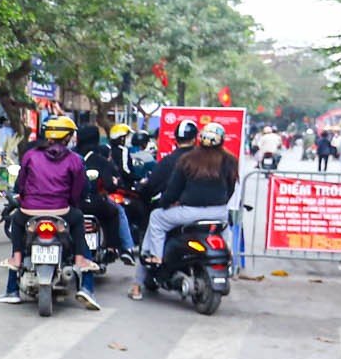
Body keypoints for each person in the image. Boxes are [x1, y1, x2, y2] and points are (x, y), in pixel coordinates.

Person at [131, 122, 239, 300]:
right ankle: (231, 259)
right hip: (219, 212)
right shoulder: (229, 161)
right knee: (224, 229)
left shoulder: (187, 160)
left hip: (189, 213)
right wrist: (218, 205)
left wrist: (165, 204)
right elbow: (230, 188)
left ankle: (156, 257)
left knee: (156, 217)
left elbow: (172, 191)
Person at [0, 114, 97, 309]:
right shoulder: (74, 160)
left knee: (17, 222)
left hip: (29, 211)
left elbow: (21, 184)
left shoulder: (30, 155)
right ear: (68, 137)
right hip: (61, 211)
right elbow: (78, 190)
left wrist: (24, 196)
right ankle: (84, 278)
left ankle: (13, 280)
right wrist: (72, 202)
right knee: (79, 221)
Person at [77, 122, 136, 263]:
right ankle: (112, 248)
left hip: (72, 203)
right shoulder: (100, 160)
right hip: (93, 202)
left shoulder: (71, 156)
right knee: (115, 212)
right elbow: (110, 185)